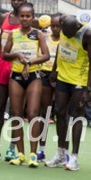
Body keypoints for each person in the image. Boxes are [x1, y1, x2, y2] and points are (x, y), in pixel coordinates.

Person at [45, 14, 91, 171]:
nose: (66, 35)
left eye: (70, 33)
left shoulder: (87, 34)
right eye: (64, 32)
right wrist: (54, 70)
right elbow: (61, 49)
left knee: (76, 115)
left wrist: (89, 88)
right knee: (59, 113)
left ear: (76, 27)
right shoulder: (63, 28)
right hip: (63, 77)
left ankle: (74, 157)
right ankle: (61, 153)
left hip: (79, 81)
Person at [2, 2, 50, 167]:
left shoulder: (38, 34)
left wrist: (29, 61)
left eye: (28, 16)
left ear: (33, 17)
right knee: (16, 114)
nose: (24, 18)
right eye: (22, 16)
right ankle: (20, 154)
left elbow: (46, 55)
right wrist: (16, 54)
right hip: (15, 76)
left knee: (32, 113)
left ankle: (33, 154)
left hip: (34, 75)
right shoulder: (13, 34)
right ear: (18, 17)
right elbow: (4, 55)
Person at [0, 0, 25, 161]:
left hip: (18, 66)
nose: (16, 2)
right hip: (2, 66)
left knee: (16, 110)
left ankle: (12, 148)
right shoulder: (4, 17)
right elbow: (0, 45)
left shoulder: (28, 20)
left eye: (20, 0)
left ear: (25, 1)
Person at [36, 14, 61, 161]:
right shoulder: (44, 38)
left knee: (61, 114)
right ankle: (41, 150)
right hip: (45, 76)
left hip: (61, 77)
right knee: (44, 113)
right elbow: (38, 54)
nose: (56, 29)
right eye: (53, 26)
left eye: (59, 26)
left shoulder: (66, 41)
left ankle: (61, 151)